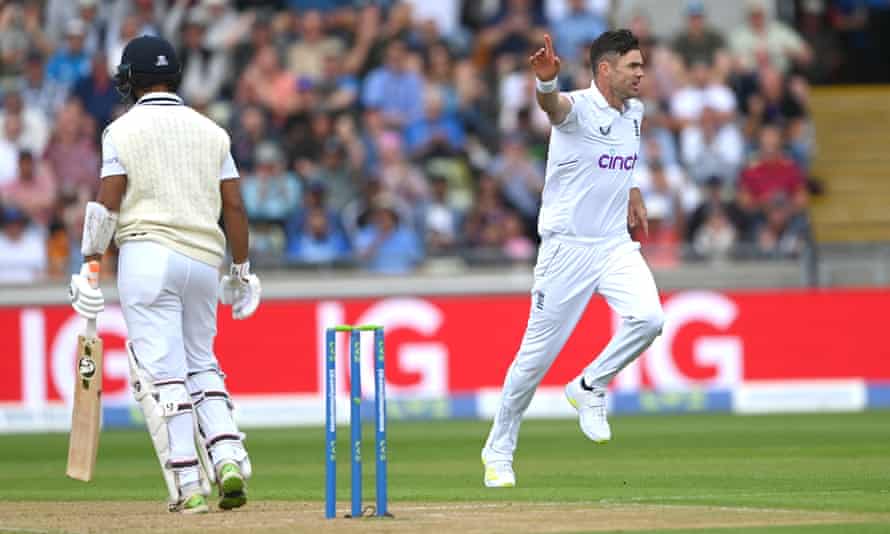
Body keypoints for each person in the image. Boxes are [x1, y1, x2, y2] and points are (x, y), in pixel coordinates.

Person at [66, 36, 260, 514]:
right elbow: (233, 205)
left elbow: (107, 201)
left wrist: (90, 265)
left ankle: (189, 483)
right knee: (201, 362)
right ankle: (228, 457)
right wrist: (240, 270)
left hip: (147, 255)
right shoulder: (212, 130)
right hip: (203, 259)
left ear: (129, 80)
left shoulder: (121, 131)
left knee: (164, 373)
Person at [481, 30, 665, 488]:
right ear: (605, 70)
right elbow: (553, 109)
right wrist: (545, 84)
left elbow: (622, 156)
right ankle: (498, 450)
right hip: (566, 249)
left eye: (642, 65)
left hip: (612, 245)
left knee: (649, 318)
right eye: (633, 66)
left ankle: (589, 385)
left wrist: (634, 190)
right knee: (533, 362)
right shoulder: (578, 107)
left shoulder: (635, 113)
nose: (641, 73)